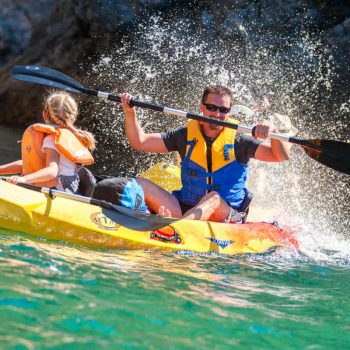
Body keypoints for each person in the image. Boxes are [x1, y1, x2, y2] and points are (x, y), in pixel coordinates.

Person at [119, 85, 291, 223]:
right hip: (185, 208)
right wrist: (129, 113)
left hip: (226, 214)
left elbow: (279, 156)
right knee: (140, 183)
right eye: (211, 107)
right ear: (202, 108)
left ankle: (178, 230)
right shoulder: (184, 136)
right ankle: (144, 220)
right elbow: (139, 142)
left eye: (223, 110)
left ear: (229, 113)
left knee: (213, 198)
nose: (217, 114)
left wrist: (274, 133)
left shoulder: (239, 141)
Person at [0, 91, 95, 193]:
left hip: (60, 189)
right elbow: (29, 163)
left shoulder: (51, 139)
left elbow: (52, 171)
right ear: (74, 118)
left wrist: (24, 179)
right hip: (71, 186)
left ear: (45, 114)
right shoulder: (72, 136)